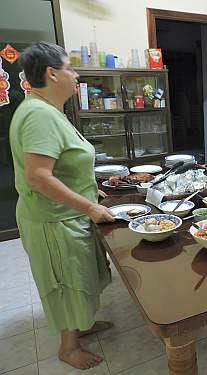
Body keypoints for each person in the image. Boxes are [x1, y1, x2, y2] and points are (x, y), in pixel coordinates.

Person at [10, 42, 115, 370]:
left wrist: (93, 189)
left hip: (67, 214)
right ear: (52, 74)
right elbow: (39, 177)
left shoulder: (46, 109)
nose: (77, 74)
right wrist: (90, 207)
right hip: (53, 220)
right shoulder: (38, 115)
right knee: (68, 280)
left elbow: (64, 163)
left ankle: (80, 324)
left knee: (81, 277)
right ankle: (68, 348)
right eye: (70, 68)